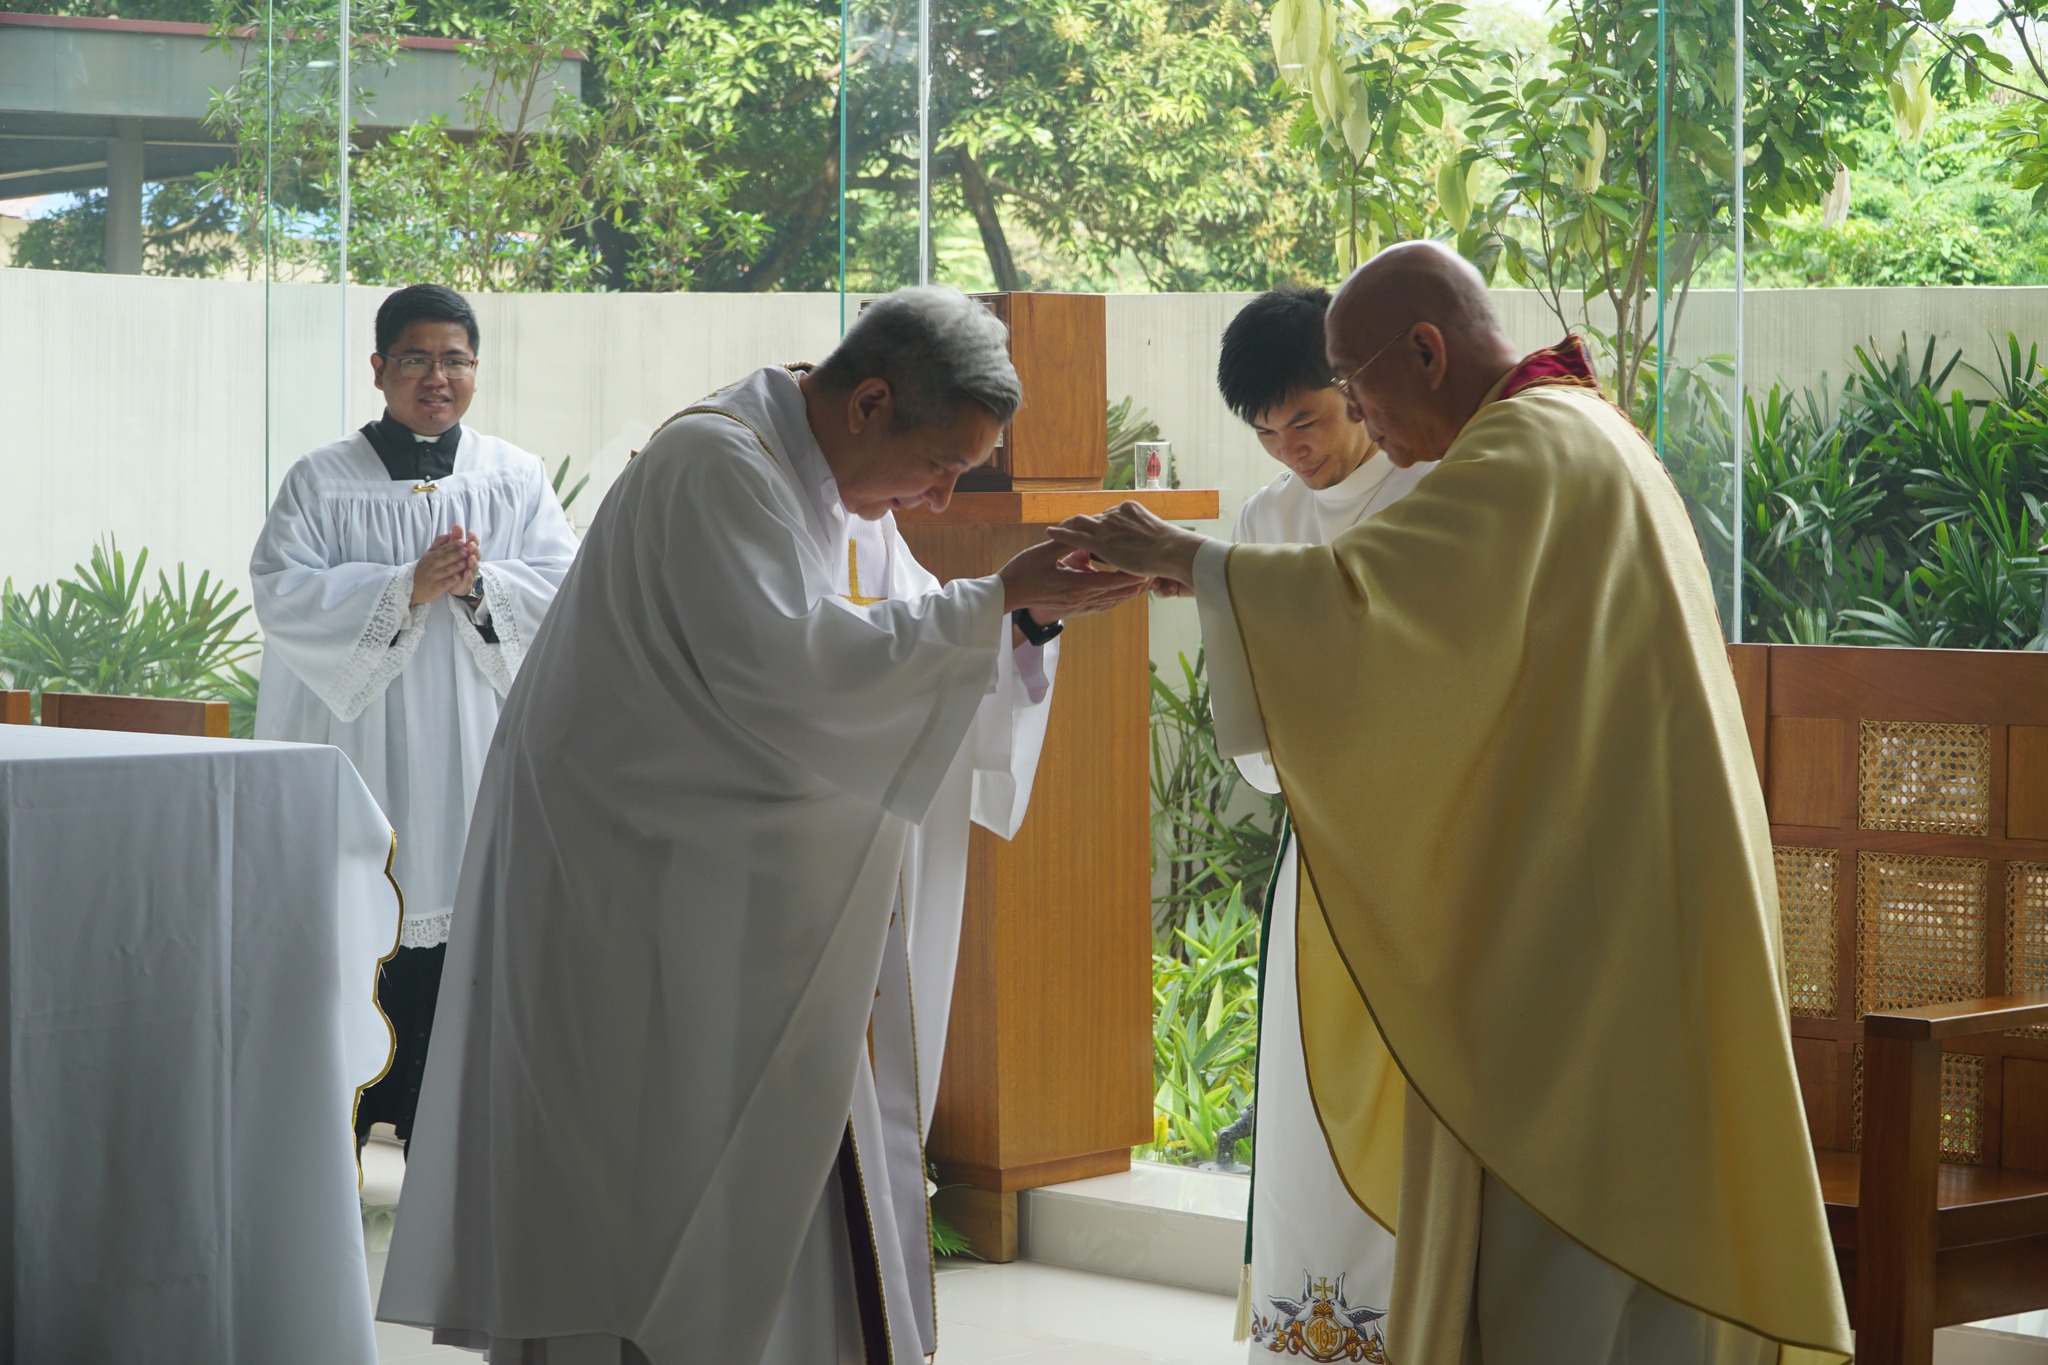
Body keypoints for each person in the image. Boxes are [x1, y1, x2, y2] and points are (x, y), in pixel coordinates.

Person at [1047, 243, 1851, 1365]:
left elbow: (1376, 609)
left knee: (1562, 1236)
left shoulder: (1520, 452)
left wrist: (1195, 562)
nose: (1359, 415)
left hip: (1578, 919)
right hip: (1613, 885)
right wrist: (1212, 567)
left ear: (1424, 351)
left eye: (1354, 385)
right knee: (1628, 1236)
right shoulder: (1578, 430)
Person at [377, 286, 1147, 1365]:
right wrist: (991, 605)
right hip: (631, 897)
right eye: (939, 466)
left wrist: (1021, 613)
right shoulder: (719, 464)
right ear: (869, 402)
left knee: (775, 1164)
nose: (936, 499)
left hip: (733, 900)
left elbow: (896, 642)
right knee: (646, 1187)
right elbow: (796, 676)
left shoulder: (837, 482)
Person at [250, 283, 578, 1154]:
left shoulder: (514, 477)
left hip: (472, 744)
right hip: (362, 745)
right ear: (379, 368)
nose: (438, 376)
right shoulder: (322, 480)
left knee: (465, 926)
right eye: (417, 358)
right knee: (362, 921)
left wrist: (481, 585)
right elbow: (282, 595)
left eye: (455, 359)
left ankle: (448, 1136)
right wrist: (405, 587)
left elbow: (566, 590)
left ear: (476, 367)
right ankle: (344, 1131)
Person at [1211, 286, 1429, 1361]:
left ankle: (1426, 1325)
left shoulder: (1434, 490)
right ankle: (1313, 1337)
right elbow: (1253, 703)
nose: (1290, 450)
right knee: (1305, 1101)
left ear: (1356, 388)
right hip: (1322, 848)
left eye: (1304, 420)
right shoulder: (1266, 521)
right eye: (1265, 433)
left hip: (1431, 849)